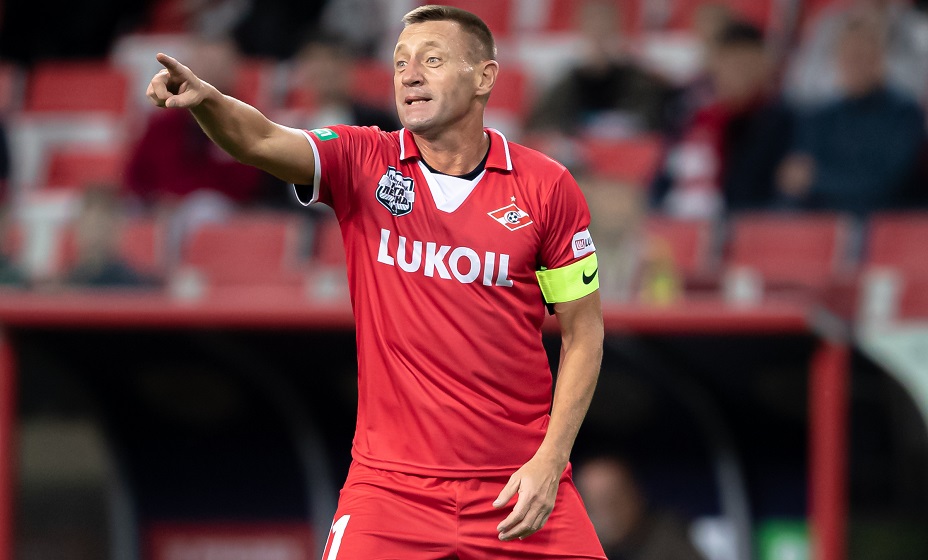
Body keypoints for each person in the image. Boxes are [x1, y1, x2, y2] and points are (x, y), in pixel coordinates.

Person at [146, 4, 605, 560]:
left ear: (484, 77)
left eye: (432, 60)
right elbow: (261, 140)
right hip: (390, 490)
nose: (410, 75)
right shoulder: (363, 160)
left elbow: (584, 334)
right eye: (400, 62)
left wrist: (551, 460)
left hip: (517, 485)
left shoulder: (547, 188)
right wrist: (208, 101)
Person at [776, 12, 926, 216]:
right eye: (849, 56)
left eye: (862, 56)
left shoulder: (904, 113)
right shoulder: (820, 117)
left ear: (880, 59)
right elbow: (794, 182)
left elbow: (887, 184)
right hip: (825, 222)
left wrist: (818, 180)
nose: (855, 63)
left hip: (889, 223)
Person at [652, 21, 793, 217]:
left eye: (748, 64)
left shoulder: (781, 120)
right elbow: (665, 176)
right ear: (715, 63)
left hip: (748, 222)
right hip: (682, 218)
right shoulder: (690, 114)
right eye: (733, 63)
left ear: (764, 66)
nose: (740, 73)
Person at [575, 456, 706, 560]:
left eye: (613, 499)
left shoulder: (675, 538)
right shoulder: (578, 550)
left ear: (637, 495)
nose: (607, 513)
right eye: (594, 504)